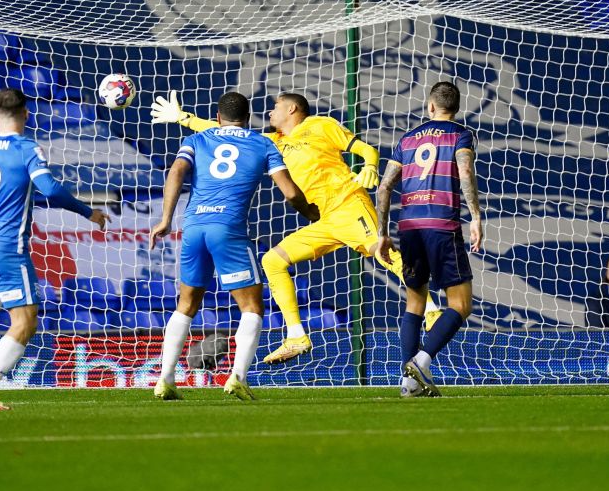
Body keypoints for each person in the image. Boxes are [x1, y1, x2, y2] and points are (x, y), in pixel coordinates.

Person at [150, 91, 443, 365]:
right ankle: (296, 336)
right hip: (322, 219)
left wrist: (369, 166)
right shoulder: (273, 141)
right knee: (272, 260)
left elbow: (366, 149)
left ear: (291, 109)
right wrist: (183, 118)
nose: (270, 112)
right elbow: (229, 133)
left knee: (382, 253)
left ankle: (431, 311)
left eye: (275, 107)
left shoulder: (321, 125)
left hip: (347, 205)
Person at [148, 92, 319, 401]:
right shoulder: (263, 143)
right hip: (228, 229)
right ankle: (238, 377)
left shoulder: (199, 139)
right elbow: (290, 192)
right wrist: (310, 213)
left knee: (186, 304)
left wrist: (165, 219)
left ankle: (165, 379)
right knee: (252, 307)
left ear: (216, 116)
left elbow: (176, 172)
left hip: (194, 226)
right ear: (248, 116)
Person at [0, 88, 109, 411]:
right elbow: (49, 189)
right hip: (9, 247)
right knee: (25, 321)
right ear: (26, 114)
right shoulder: (25, 148)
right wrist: (87, 212)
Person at [376, 81, 483, 397]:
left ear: (430, 106)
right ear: (456, 108)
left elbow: (384, 188)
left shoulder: (408, 139)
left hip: (408, 226)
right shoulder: (460, 135)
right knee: (461, 305)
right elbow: (465, 173)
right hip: (441, 225)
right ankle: (421, 362)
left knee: (415, 303)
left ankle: (409, 384)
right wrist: (476, 216)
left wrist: (382, 234)